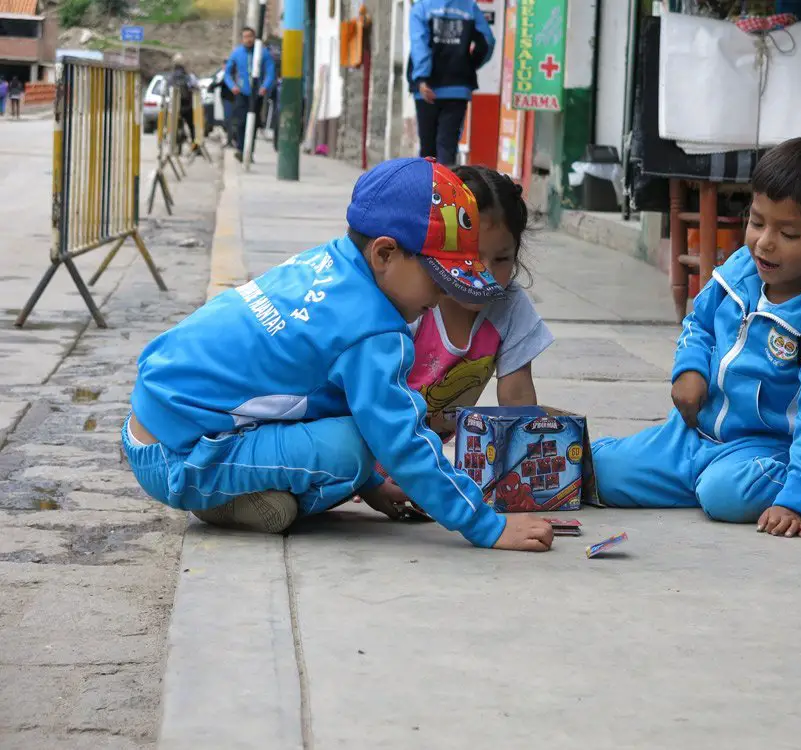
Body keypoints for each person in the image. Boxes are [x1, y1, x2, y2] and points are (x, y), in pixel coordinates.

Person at [121, 157, 553, 552]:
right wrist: (487, 526)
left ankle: (238, 487)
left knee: (347, 429)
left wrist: (374, 490)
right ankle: (220, 496)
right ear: (385, 253)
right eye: (439, 278)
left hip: (158, 423)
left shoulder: (327, 264)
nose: (443, 295)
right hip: (180, 455)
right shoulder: (373, 331)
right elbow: (400, 441)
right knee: (351, 450)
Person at [590, 136, 801, 538]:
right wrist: (688, 369)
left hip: (763, 450)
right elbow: (700, 323)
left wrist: (795, 499)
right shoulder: (741, 268)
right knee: (595, 470)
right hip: (689, 435)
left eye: (789, 234)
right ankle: (699, 477)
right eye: (757, 221)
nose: (764, 242)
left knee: (725, 495)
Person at [364, 165, 553, 513]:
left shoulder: (510, 306)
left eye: (502, 259)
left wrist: (528, 474)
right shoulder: (413, 300)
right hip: (365, 450)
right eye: (472, 255)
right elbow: (371, 397)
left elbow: (517, 399)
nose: (485, 271)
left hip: (421, 463)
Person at [407, 0, 495, 166]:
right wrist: (469, 64)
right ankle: (446, 190)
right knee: (448, 148)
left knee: (428, 150)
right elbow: (487, 42)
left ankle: (427, 189)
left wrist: (421, 77)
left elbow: (420, 44)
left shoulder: (422, 8)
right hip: (457, 88)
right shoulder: (469, 7)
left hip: (426, 89)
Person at [224, 26, 276, 161]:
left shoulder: (263, 53)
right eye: (245, 37)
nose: (248, 40)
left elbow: (271, 72)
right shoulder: (237, 53)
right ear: (242, 39)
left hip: (256, 93)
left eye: (250, 37)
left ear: (254, 38)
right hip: (241, 92)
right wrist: (232, 86)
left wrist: (264, 86)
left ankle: (249, 151)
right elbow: (227, 73)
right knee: (241, 122)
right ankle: (241, 149)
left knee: (253, 123)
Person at [167, 54, 198, 151]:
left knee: (174, 126)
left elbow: (168, 90)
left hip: (176, 107)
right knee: (192, 126)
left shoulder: (171, 78)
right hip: (187, 106)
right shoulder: (188, 77)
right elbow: (194, 87)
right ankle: (195, 146)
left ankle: (175, 146)